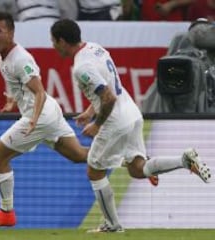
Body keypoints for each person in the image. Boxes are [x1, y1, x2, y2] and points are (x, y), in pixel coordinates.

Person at [50, 19, 211, 233]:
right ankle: (184, 160)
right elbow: (109, 87)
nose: (53, 46)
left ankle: (112, 225)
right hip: (132, 113)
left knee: (94, 171)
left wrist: (97, 124)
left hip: (114, 120)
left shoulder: (81, 67)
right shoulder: (95, 48)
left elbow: (108, 97)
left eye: (54, 42)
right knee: (138, 168)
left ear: (62, 41)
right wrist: (89, 112)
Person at [0, 12, 89, 229]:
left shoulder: (21, 59)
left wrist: (33, 120)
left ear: (10, 33)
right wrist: (12, 101)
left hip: (40, 116)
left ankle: (6, 212)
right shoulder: (2, 56)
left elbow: (39, 91)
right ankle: (126, 156)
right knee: (79, 155)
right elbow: (18, 86)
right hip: (49, 112)